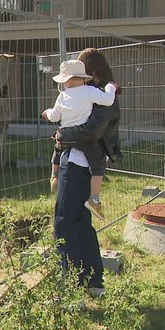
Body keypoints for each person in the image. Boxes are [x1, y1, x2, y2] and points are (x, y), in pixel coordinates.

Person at [52, 49, 122, 298]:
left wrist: (61, 136)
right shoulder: (94, 95)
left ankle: (71, 287)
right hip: (80, 164)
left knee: (64, 224)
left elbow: (89, 131)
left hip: (79, 166)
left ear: (91, 73)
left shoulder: (101, 98)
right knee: (81, 224)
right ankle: (93, 283)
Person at [42, 59, 118, 220]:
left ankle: (54, 175)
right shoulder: (89, 91)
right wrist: (111, 87)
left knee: (58, 148)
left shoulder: (62, 96)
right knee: (98, 163)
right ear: (84, 78)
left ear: (65, 80)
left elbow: (54, 116)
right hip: (85, 137)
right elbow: (108, 100)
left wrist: (46, 112)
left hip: (66, 135)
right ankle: (94, 199)